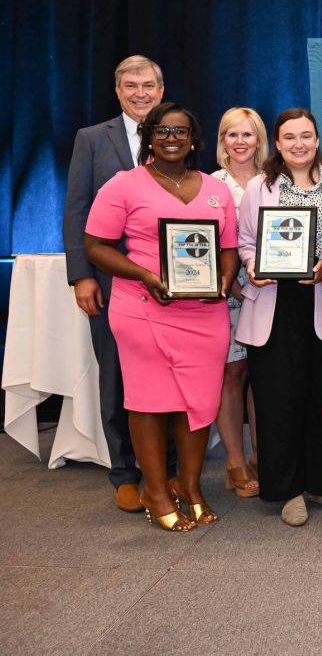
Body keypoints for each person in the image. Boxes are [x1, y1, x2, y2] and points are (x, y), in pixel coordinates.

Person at [84, 102, 238, 531]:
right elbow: (95, 245)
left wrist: (224, 280)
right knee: (149, 401)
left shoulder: (215, 188)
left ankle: (188, 487)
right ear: (149, 137)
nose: (172, 139)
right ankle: (154, 488)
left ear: (194, 139)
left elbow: (227, 247)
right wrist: (144, 274)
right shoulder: (123, 185)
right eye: (163, 132)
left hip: (206, 313)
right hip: (143, 307)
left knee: (198, 403)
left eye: (181, 132)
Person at [236, 108, 322, 527]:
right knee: (277, 401)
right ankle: (286, 489)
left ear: (318, 140)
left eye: (306, 136)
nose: (298, 144)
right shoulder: (258, 187)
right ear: (278, 144)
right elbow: (246, 241)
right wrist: (252, 265)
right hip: (274, 304)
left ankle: (320, 484)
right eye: (289, 137)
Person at [63, 55, 167, 512]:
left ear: (161, 90)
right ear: (118, 90)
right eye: (131, 85)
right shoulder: (91, 139)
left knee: (165, 375)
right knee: (117, 377)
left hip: (169, 282)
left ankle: (165, 471)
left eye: (148, 85)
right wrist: (82, 275)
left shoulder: (176, 133)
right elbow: (76, 211)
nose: (140, 92)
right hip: (109, 281)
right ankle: (125, 473)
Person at [210, 107, 268, 498]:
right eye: (233, 135)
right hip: (229, 295)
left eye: (248, 135)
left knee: (261, 379)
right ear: (222, 141)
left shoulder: (273, 182)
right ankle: (234, 460)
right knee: (232, 376)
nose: (241, 142)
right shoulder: (209, 185)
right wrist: (232, 283)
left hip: (267, 294)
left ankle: (264, 457)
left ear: (260, 140)